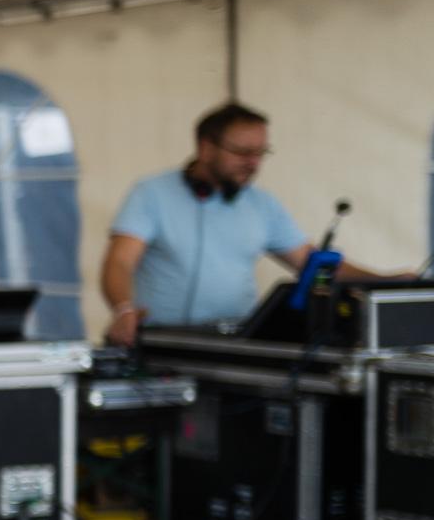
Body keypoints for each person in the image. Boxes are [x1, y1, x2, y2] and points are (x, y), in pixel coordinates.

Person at [101, 102, 398, 346]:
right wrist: (124, 309)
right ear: (205, 148)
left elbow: (313, 264)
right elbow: (120, 261)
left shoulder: (262, 204)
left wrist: (386, 281)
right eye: (243, 152)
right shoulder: (151, 194)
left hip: (236, 340)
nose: (254, 163)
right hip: (164, 342)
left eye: (260, 153)